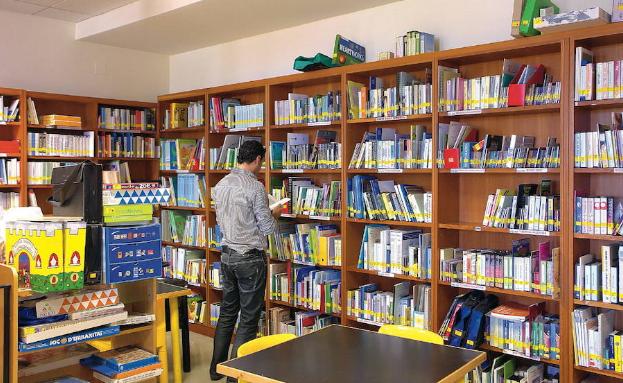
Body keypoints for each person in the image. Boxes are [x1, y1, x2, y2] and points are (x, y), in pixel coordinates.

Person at [209, 140, 281, 381]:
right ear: (258, 159)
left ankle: (215, 370)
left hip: (227, 256)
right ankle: (234, 378)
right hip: (250, 259)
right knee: (249, 320)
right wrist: (276, 212)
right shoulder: (255, 187)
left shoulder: (220, 184)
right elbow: (267, 227)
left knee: (228, 313)